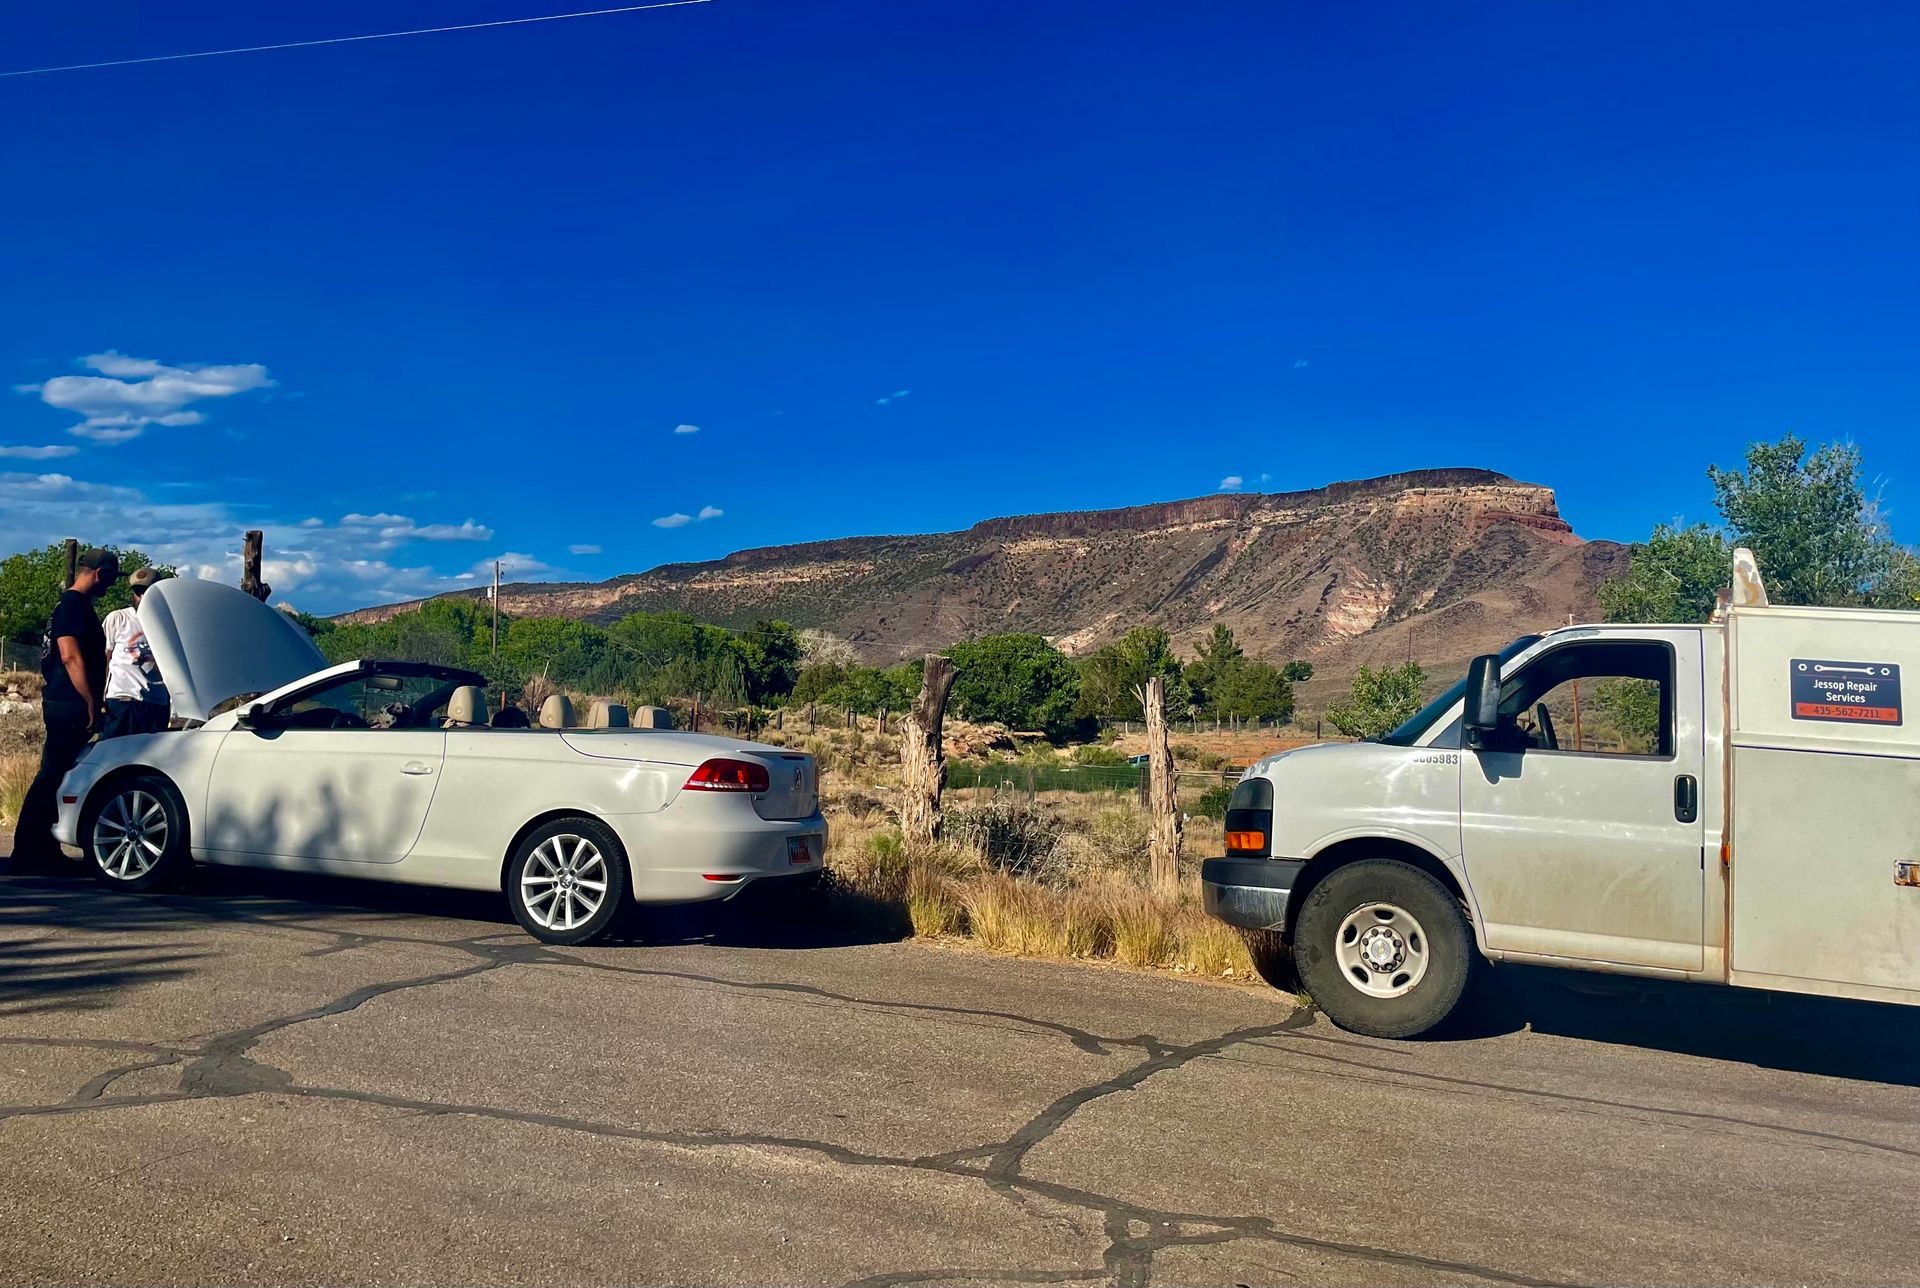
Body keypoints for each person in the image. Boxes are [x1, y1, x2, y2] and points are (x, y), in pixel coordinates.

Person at [7, 548, 117, 871]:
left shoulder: (73, 606)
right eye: (110, 577)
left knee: (61, 775)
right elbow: (69, 655)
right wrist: (90, 701)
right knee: (52, 775)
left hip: (69, 702)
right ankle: (26, 851)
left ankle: (44, 847)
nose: (110, 585)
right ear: (98, 574)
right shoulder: (72, 606)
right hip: (68, 704)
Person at [101, 566, 170, 738]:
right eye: (138, 591)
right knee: (113, 756)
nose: (141, 597)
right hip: (122, 700)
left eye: (146, 591)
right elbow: (105, 659)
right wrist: (98, 698)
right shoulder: (118, 618)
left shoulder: (169, 623)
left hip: (156, 701)